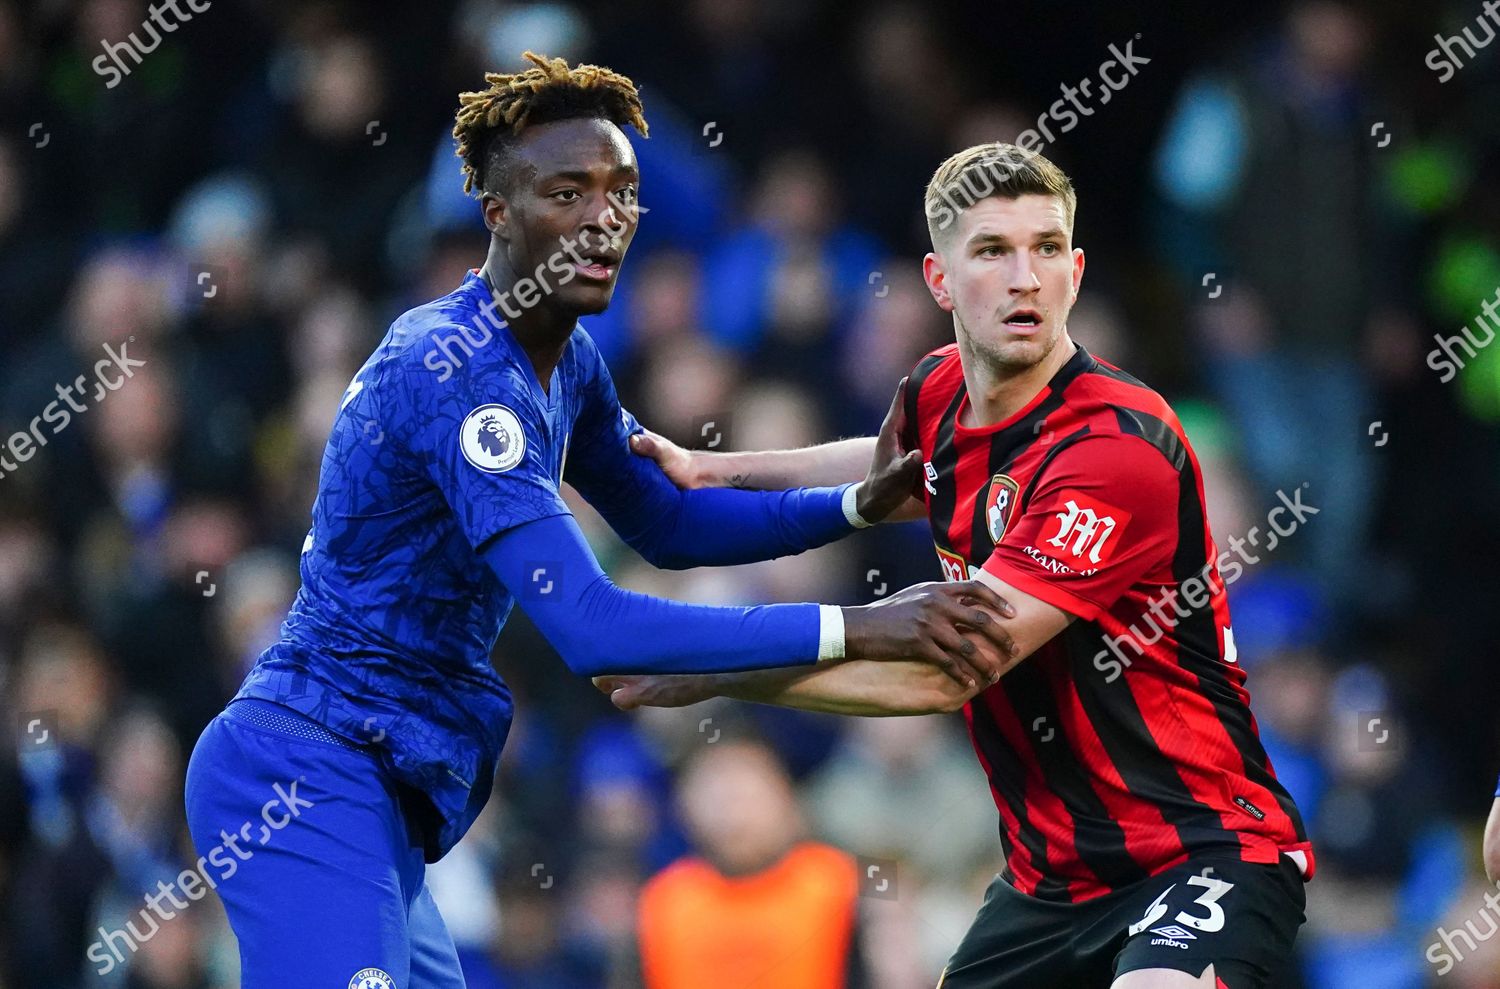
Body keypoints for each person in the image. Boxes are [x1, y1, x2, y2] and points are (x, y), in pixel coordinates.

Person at [181, 53, 1014, 989]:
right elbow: (593, 625)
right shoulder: (459, 371)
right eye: (566, 192)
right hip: (303, 772)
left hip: (375, 790)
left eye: (621, 192)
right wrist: (864, 626)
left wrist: (859, 503)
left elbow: (668, 525)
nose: (603, 217)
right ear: (496, 213)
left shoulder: (566, 362)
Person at [604, 143, 1314, 989]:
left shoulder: (1117, 450)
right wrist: (715, 467)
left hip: (1201, 851)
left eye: (1047, 249)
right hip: (1051, 879)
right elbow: (887, 472)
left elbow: (944, 677)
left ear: (1077, 271)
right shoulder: (938, 389)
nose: (1026, 277)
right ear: (939, 280)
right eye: (993, 251)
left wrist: (719, 669)